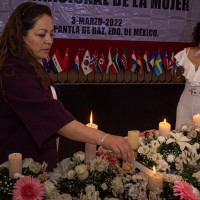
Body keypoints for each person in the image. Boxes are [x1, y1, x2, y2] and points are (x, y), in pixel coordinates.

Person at [0, 2, 134, 170]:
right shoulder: (14, 72)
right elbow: (55, 118)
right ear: (20, 36)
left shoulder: (32, 63)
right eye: (41, 34)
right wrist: (105, 139)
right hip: (19, 171)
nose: (49, 40)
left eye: (51, 34)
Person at [174, 21, 200, 129]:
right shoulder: (185, 52)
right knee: (180, 138)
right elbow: (177, 79)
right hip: (186, 102)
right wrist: (178, 74)